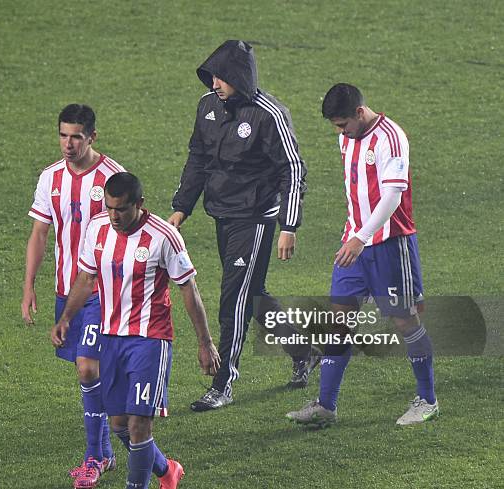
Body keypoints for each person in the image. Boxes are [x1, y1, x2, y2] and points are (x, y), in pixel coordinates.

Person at [168, 40, 315, 412]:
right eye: (213, 76)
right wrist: (181, 208)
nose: (215, 83)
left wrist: (289, 225)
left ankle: (224, 382)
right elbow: (198, 159)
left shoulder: (269, 114)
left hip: (256, 219)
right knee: (253, 294)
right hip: (223, 213)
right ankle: (304, 352)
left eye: (222, 77)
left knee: (233, 298)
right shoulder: (207, 108)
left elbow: (293, 169)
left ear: (240, 77)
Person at [52, 172, 220, 489]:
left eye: (121, 209)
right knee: (118, 425)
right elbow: (86, 279)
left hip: (149, 340)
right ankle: (167, 469)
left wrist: (205, 343)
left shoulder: (164, 236)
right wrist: (66, 319)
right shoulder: (98, 228)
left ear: (139, 204)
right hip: (110, 338)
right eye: (110, 207)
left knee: (140, 424)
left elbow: (188, 289)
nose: (114, 216)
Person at [286, 83, 439, 427]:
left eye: (343, 124)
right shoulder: (347, 138)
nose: (340, 132)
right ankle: (326, 406)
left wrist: (361, 237)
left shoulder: (391, 137)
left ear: (359, 112)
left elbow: (392, 198)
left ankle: (427, 400)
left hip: (390, 244)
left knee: (406, 321)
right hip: (354, 243)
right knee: (337, 322)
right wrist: (354, 236)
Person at [22, 104, 124, 486]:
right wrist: (29, 286)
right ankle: (112, 451)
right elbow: (40, 234)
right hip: (67, 291)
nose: (68, 143)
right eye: (63, 135)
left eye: (76, 136)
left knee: (87, 368)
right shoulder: (51, 178)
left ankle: (94, 457)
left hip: (104, 292)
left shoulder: (113, 177)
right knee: (89, 376)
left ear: (92, 137)